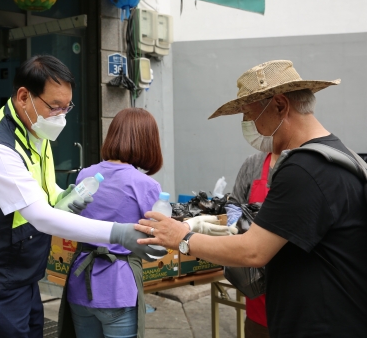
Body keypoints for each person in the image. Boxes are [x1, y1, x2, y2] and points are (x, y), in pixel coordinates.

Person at [136, 60, 367, 337]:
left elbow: (253, 251)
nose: (248, 125)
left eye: (249, 114)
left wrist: (182, 238)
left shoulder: (304, 169)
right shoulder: (339, 156)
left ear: (280, 105)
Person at [0, 55, 165, 338]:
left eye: (66, 107)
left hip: (24, 274)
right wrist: (119, 233)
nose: (61, 116)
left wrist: (63, 196)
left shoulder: (34, 132)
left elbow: (43, 189)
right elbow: (40, 216)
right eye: (55, 107)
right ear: (23, 97)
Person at [58, 108, 164, 338]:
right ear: (148, 142)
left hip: (80, 285)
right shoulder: (146, 185)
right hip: (118, 288)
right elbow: (156, 242)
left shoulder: (85, 175)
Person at [229, 150, 279, 338]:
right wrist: (232, 227)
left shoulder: (304, 165)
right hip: (258, 303)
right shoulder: (253, 163)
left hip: (295, 299)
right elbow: (235, 203)